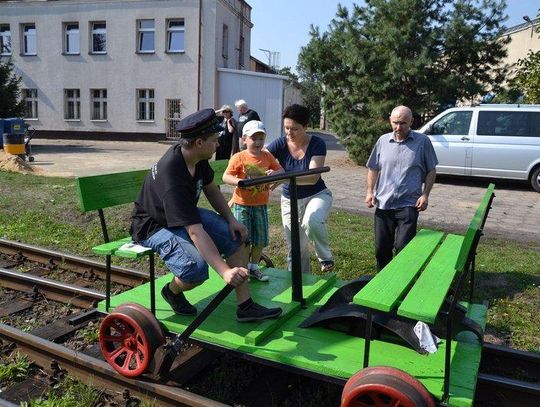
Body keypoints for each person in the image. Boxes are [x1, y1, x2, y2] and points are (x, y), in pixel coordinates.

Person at [130, 108, 282, 322]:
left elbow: (211, 189)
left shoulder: (196, 158)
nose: (218, 144)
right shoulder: (173, 175)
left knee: (236, 236)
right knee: (196, 270)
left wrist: (231, 219)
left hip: (181, 215)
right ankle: (172, 291)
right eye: (214, 140)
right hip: (154, 225)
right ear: (199, 142)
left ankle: (245, 306)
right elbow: (195, 231)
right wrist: (224, 272)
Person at [365, 105, 438, 271]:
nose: (399, 127)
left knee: (403, 247)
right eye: (395, 123)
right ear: (390, 121)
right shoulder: (383, 141)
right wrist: (370, 192)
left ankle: (401, 279)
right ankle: (382, 281)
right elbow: (373, 168)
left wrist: (425, 194)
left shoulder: (422, 142)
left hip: (409, 204)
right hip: (384, 203)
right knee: (381, 249)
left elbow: (431, 170)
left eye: (403, 123)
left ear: (411, 121)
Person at [267, 104, 334, 274]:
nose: (289, 133)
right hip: (290, 200)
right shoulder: (280, 144)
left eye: (294, 129)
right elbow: (259, 159)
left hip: (317, 194)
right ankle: (299, 286)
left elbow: (312, 177)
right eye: (286, 128)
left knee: (312, 221)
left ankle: (325, 258)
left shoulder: (317, 143)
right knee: (296, 247)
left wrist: (281, 177)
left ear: (305, 126)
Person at [223, 120, 283, 282]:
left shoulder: (267, 155)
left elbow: (281, 171)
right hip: (242, 205)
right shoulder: (239, 157)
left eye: (261, 138)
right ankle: (243, 269)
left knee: (261, 238)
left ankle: (254, 266)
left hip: (260, 205)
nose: (257, 142)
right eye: (253, 138)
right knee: (244, 238)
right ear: (244, 139)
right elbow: (226, 176)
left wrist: (274, 175)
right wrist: (239, 182)